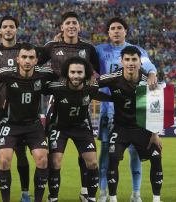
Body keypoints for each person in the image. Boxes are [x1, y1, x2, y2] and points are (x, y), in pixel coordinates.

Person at [96, 17, 158, 202]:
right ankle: (103, 193)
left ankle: (136, 193)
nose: (116, 31)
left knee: (135, 151)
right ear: (108, 32)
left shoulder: (137, 51)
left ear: (125, 31)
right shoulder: (99, 50)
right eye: (112, 28)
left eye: (119, 28)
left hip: (134, 109)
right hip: (108, 109)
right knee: (107, 152)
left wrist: (153, 74)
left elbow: (149, 67)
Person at [40, 11, 99, 201]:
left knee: (87, 155)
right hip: (57, 101)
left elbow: (97, 71)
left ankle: (85, 192)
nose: (72, 26)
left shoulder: (88, 48)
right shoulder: (51, 46)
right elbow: (35, 64)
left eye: (75, 22)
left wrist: (91, 83)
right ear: (62, 27)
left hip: (81, 102)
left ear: (79, 27)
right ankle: (52, 196)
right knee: (55, 157)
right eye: (68, 23)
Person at [0, 43, 57, 202]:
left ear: (36, 60)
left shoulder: (45, 73)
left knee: (42, 159)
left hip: (33, 125)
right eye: (24, 57)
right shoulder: (6, 73)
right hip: (11, 124)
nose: (27, 60)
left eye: (31, 57)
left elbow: (66, 75)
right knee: (4, 159)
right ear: (17, 59)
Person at [45, 57, 110, 202]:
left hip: (81, 127)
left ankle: (91, 198)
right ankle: (53, 198)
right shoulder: (56, 87)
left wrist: (119, 97)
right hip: (59, 128)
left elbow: (105, 89)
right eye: (72, 72)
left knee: (92, 162)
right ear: (67, 73)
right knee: (55, 161)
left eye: (79, 72)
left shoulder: (91, 87)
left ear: (85, 73)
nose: (76, 75)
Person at [0, 15, 30, 202]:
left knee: (21, 152)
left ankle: (25, 193)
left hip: (22, 109)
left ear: (16, 29)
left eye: (12, 26)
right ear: (0, 31)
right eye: (5, 26)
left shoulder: (25, 49)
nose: (8, 29)